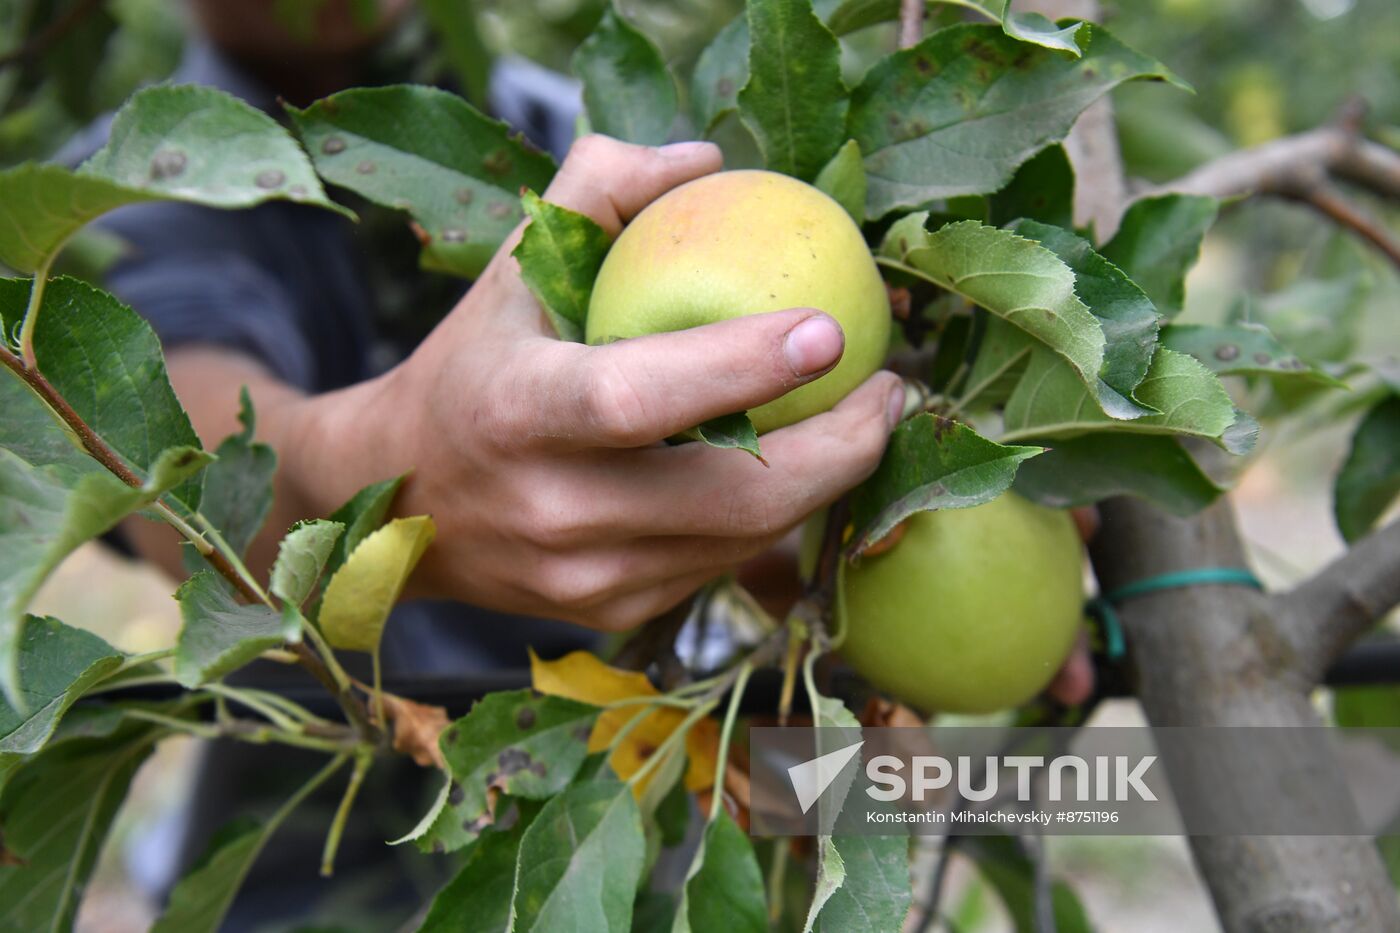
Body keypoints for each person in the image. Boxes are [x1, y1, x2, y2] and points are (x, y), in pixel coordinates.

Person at [82, 1, 1090, 925]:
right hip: (310, 888)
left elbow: (738, 527)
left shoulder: (606, 158)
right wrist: (389, 489)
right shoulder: (122, 198)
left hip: (650, 826)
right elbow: (170, 459)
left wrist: (842, 546)